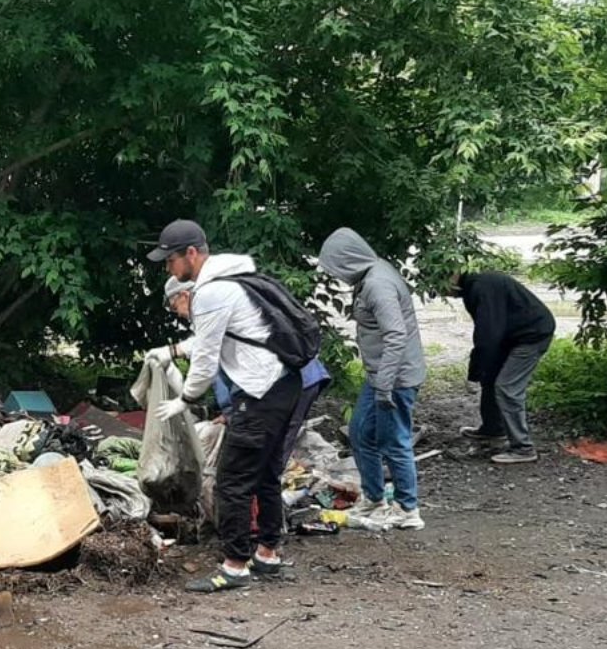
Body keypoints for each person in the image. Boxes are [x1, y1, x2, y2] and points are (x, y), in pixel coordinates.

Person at [145, 219, 303, 592]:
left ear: (192, 254)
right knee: (265, 473)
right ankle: (268, 553)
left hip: (261, 392)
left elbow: (206, 359)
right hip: (283, 385)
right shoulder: (234, 280)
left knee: (231, 480)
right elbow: (208, 340)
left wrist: (184, 399)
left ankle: (234, 565)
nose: (169, 268)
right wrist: (170, 351)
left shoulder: (211, 293)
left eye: (171, 260)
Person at [146, 279, 330, 471]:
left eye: (176, 308)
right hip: (283, 377)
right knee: (266, 448)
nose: (179, 314)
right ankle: (262, 490)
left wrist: (172, 351)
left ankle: (262, 493)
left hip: (293, 379)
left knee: (273, 448)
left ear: (184, 295)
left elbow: (212, 361)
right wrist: (229, 413)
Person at [317, 228, 427, 530]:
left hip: (395, 378)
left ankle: (407, 509)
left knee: (394, 441)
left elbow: (395, 336)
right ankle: (375, 498)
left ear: (346, 260)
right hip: (380, 374)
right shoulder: (371, 275)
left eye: (335, 267)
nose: (337, 275)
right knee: (360, 433)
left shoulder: (378, 284)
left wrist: (385, 386)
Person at [452, 269, 555, 463]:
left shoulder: (481, 288)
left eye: (440, 288)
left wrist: (474, 373)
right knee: (490, 377)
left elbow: (487, 336)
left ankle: (523, 448)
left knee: (507, 387)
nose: (442, 294)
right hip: (511, 336)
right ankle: (493, 429)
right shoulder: (472, 288)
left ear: (451, 277)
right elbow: (490, 334)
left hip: (531, 335)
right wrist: (481, 372)